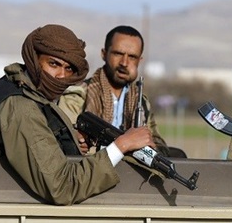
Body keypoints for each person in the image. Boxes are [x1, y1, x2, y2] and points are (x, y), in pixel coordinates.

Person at [0, 24, 156, 205]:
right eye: (53, 63)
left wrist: (66, 136)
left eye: (69, 68)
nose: (61, 75)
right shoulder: (21, 107)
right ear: (34, 59)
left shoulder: (25, 90)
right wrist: (122, 144)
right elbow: (62, 187)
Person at [60, 25, 170, 156]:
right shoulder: (78, 94)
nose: (124, 62)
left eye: (132, 57)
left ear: (139, 60)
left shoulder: (141, 102)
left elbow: (159, 144)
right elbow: (63, 138)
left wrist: (149, 147)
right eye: (118, 54)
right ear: (104, 54)